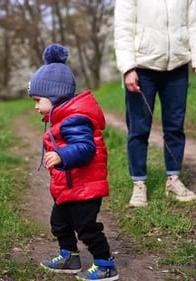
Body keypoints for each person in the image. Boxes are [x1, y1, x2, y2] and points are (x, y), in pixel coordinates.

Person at [27, 43, 119, 281]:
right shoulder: (60, 119)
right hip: (69, 188)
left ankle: (105, 264)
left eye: (38, 100)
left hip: (85, 188)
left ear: (54, 96)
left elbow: (86, 148)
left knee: (87, 228)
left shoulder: (75, 119)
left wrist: (61, 156)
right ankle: (70, 257)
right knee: (59, 223)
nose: (36, 106)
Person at [113, 0, 196, 207]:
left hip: (177, 66)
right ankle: (139, 185)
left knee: (175, 126)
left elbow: (193, 24)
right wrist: (128, 68)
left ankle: (173, 180)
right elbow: (123, 29)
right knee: (138, 129)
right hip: (142, 67)